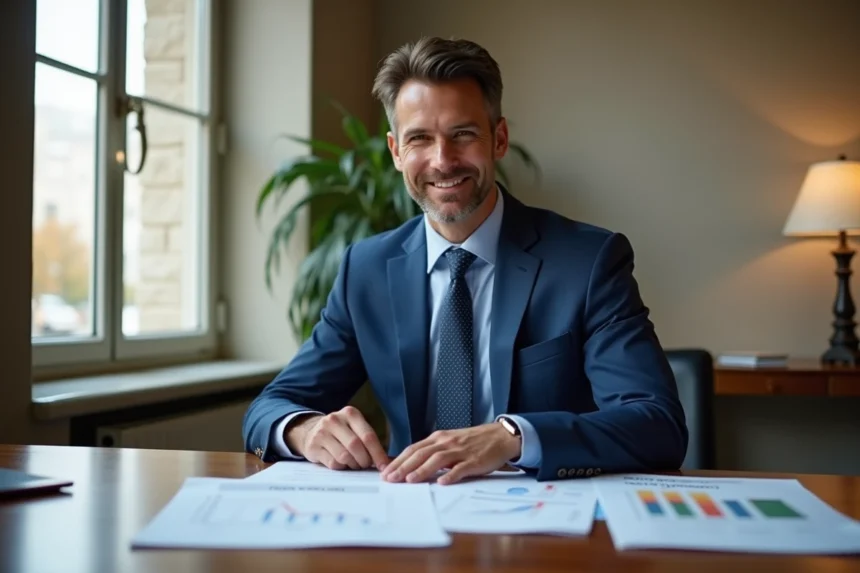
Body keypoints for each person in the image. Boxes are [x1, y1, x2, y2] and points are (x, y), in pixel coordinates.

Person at [242, 36, 688, 485]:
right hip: (410, 517)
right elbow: (269, 409)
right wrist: (304, 429)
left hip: (543, 527)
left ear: (499, 139)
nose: (442, 161)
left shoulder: (587, 262)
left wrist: (515, 435)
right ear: (396, 152)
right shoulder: (367, 268)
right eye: (419, 139)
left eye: (463, 135)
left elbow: (656, 424)